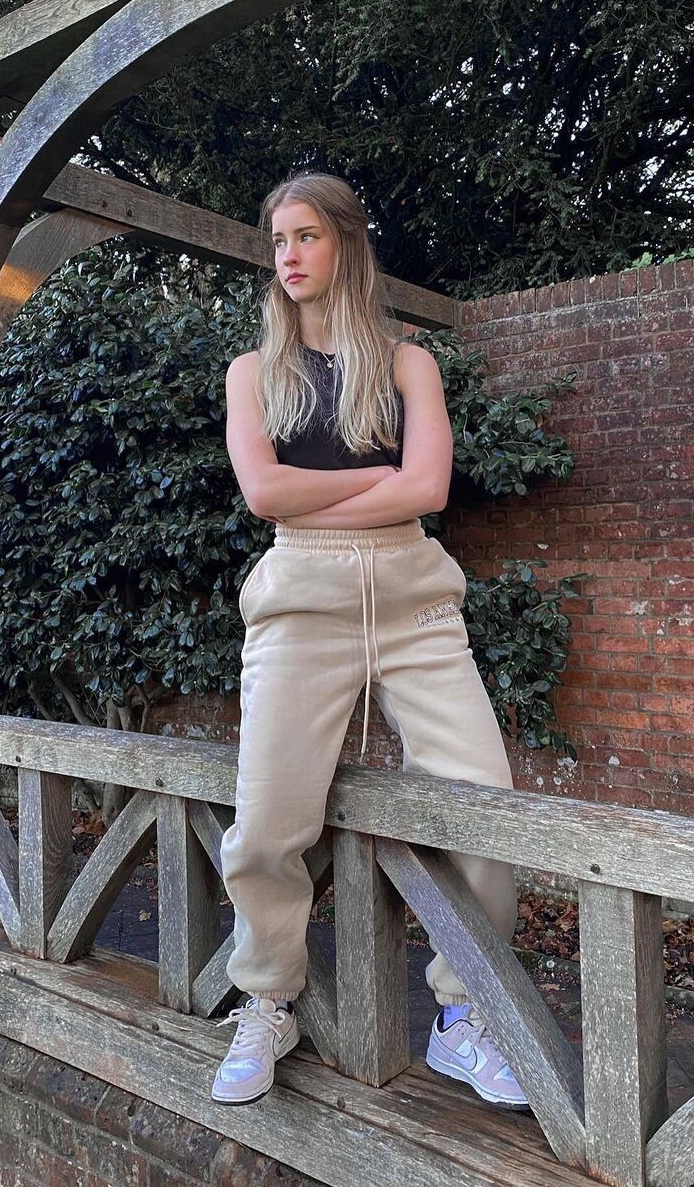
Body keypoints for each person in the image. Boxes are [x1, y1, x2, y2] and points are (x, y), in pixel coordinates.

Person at [211, 171, 526, 1110]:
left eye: (306, 235)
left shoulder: (406, 363)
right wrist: (376, 482)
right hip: (300, 601)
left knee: (485, 803)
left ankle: (463, 1016)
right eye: (278, 240)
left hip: (414, 599)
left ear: (347, 242)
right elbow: (264, 495)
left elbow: (428, 490)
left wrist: (345, 493)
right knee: (268, 820)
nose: (289, 255)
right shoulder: (252, 373)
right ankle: (268, 1000)